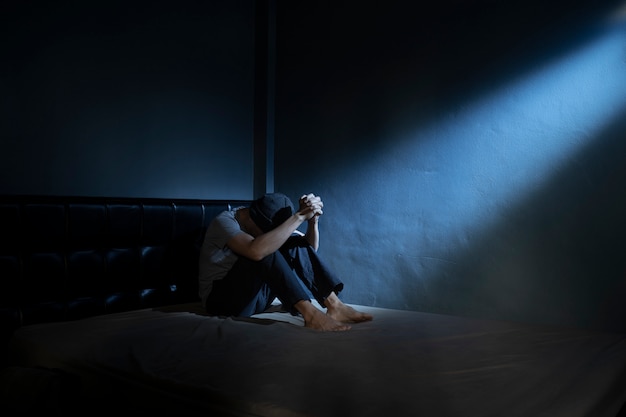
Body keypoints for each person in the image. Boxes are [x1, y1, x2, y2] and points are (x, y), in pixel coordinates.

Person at [198, 192, 373, 331]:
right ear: (252, 219)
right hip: (221, 302)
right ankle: (311, 315)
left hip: (257, 299)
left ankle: (335, 305)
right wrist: (298, 217)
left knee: (291, 243)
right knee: (262, 249)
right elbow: (256, 251)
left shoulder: (263, 221)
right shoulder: (225, 222)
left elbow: (308, 249)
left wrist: (312, 222)